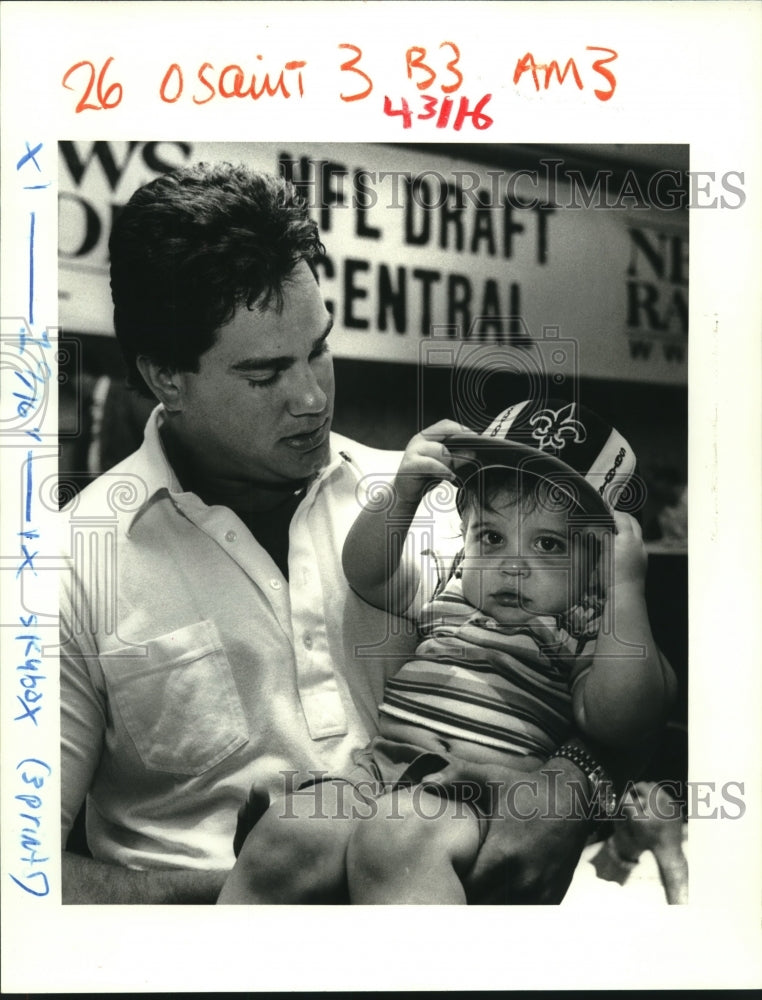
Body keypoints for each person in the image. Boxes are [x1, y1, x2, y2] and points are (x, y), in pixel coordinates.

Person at [60, 161, 650, 905]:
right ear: (166, 376)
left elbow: (613, 691)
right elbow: (26, 876)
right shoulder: (65, 565)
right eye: (266, 373)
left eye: (319, 348)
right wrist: (279, 890)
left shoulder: (453, 505)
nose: (311, 396)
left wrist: (575, 782)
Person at [219, 400, 676, 903]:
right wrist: (402, 495)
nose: (512, 566)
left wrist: (626, 589)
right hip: (379, 769)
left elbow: (623, 719)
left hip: (485, 798)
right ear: (466, 537)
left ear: (599, 562)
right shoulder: (450, 582)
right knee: (288, 833)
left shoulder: (584, 623)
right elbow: (367, 573)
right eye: (492, 536)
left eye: (548, 545)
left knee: (398, 844)